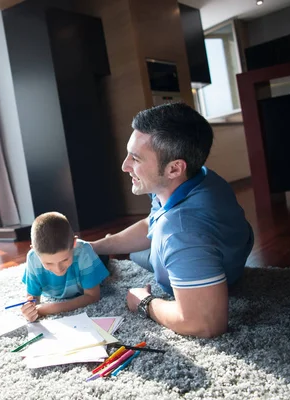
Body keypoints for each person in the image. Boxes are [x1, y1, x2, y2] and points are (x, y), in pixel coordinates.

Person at [90, 102, 254, 338]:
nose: (125, 166)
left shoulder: (181, 231)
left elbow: (206, 324)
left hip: (203, 265)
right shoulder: (197, 177)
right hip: (223, 251)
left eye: (135, 158)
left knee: (141, 254)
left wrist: (144, 302)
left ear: (175, 168)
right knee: (136, 252)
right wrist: (97, 246)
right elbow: (152, 223)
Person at [20, 212, 109, 322]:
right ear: (34, 251)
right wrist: (30, 310)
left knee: (103, 258)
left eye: (65, 259)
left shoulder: (83, 252)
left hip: (90, 256)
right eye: (48, 263)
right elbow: (32, 299)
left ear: (74, 243)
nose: (58, 269)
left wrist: (51, 308)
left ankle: (107, 240)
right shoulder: (32, 258)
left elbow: (92, 296)